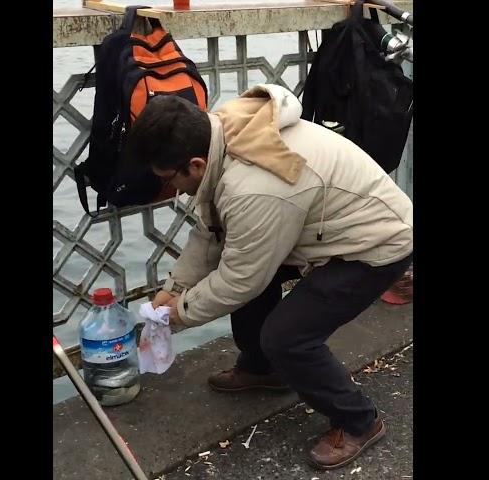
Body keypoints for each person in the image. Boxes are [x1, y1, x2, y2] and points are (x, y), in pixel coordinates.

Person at [125, 84, 413, 470]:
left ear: (193, 165)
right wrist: (174, 288)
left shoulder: (255, 187)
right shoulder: (223, 132)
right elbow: (211, 232)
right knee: (248, 271)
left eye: (168, 179)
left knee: (288, 337)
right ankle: (263, 369)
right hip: (319, 226)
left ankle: (359, 420)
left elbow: (241, 279)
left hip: (375, 244)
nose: (170, 189)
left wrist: (179, 313)